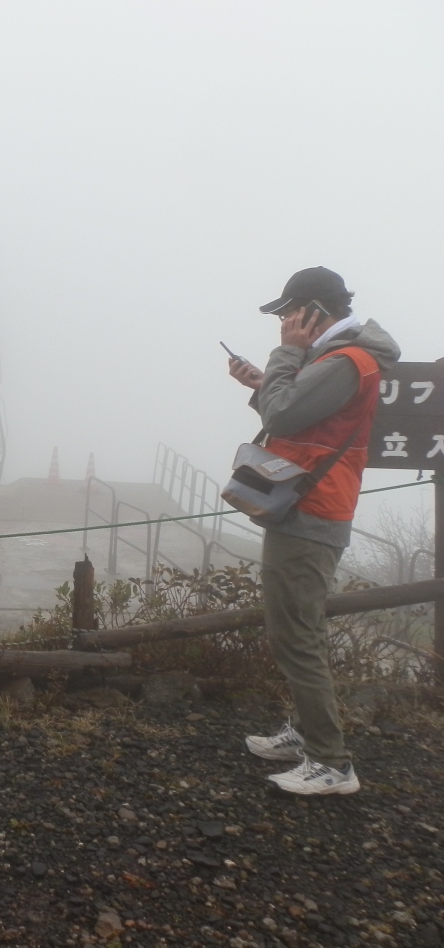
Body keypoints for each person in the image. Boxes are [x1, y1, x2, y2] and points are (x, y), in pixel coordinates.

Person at [226, 266, 399, 796]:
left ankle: (331, 762)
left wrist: (285, 355)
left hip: (311, 509)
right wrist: (265, 383)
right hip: (306, 504)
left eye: (288, 312)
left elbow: (283, 416)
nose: (283, 321)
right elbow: (301, 414)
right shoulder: (336, 357)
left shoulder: (345, 360)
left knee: (295, 635)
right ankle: (306, 734)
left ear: (315, 311)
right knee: (302, 629)